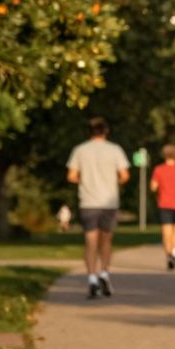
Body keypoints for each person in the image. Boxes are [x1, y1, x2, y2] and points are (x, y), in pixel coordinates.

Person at [66, 117, 130, 298]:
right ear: (106, 131)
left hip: (88, 201)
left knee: (90, 241)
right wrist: (113, 181)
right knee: (107, 240)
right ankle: (104, 273)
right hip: (108, 201)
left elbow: (71, 176)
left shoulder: (80, 150)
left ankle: (92, 277)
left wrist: (84, 181)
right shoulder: (115, 150)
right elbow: (125, 175)